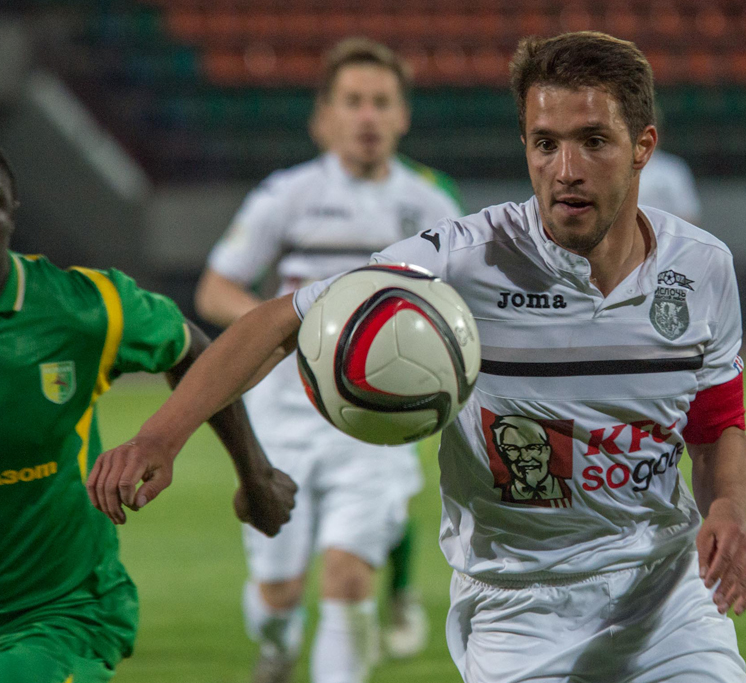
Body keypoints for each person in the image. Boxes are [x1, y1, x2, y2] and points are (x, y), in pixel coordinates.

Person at [91, 31, 746, 682]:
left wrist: (727, 507)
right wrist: (161, 436)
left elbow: (717, 426)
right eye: (544, 143)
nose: (565, 170)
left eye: (593, 141)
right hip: (520, 606)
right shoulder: (463, 260)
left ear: (643, 148)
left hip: (666, 591)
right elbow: (276, 322)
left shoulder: (702, 268)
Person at [0, 120, 296, 683]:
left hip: (63, 616)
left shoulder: (81, 308)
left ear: (10, 216)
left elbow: (188, 346)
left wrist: (255, 475)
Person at [192, 38, 463, 682]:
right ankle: (277, 642)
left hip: (378, 421)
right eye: (353, 101)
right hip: (283, 416)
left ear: (402, 116)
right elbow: (215, 289)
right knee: (279, 591)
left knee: (347, 577)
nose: (367, 116)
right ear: (326, 116)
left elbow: (462, 303)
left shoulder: (429, 206)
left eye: (381, 102)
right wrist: (299, 329)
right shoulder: (287, 196)